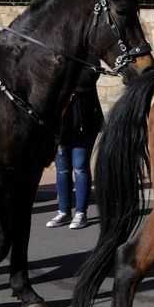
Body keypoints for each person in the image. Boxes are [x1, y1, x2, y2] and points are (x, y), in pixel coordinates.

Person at [47, 68, 103, 230]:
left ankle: (80, 213)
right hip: (60, 125)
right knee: (62, 170)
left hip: (84, 124)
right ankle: (64, 211)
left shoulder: (88, 57)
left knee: (80, 168)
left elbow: (85, 80)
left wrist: (61, 80)